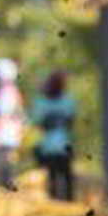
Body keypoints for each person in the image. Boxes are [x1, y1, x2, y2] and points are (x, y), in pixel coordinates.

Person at [31, 71, 78, 201]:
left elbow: (36, 122)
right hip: (62, 145)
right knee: (65, 178)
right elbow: (71, 120)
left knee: (53, 178)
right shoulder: (68, 102)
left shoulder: (41, 102)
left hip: (49, 146)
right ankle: (66, 203)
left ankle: (56, 202)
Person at [0, 58, 26, 195]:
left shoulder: (5, 93)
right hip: (11, 138)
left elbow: (0, 117)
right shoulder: (13, 91)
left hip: (2, 138)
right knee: (7, 173)